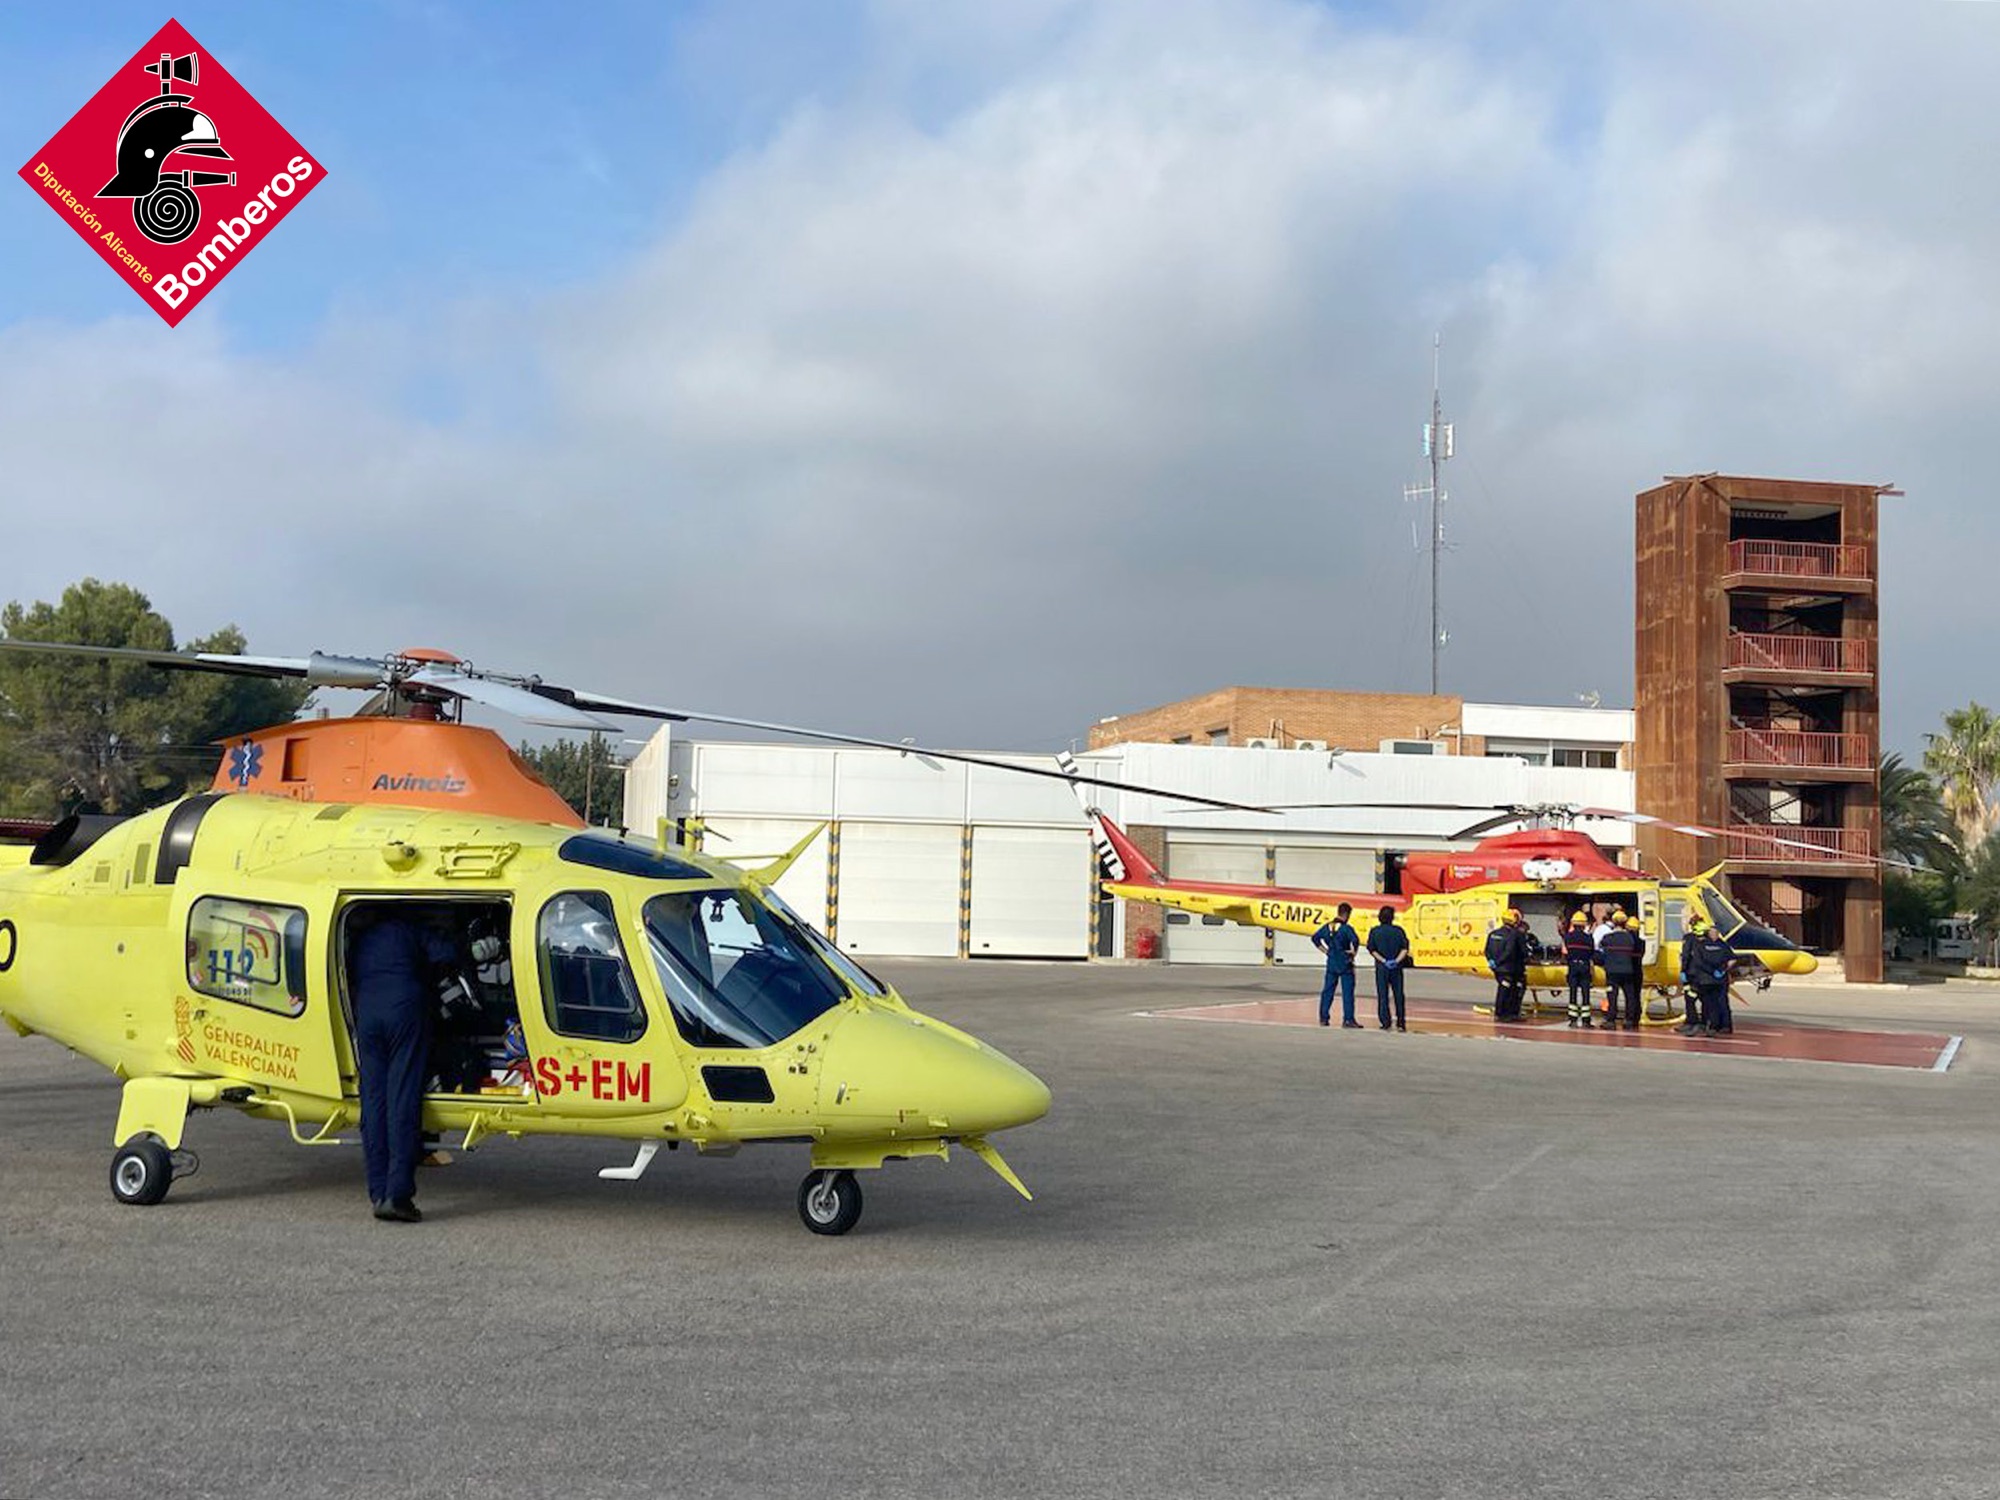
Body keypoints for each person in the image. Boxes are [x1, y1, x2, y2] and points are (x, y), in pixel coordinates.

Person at [348, 907, 458, 1223]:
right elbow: (446, 955)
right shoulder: (410, 928)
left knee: (373, 1104)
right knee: (402, 1101)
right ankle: (398, 1194)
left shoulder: (363, 936)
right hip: (404, 1012)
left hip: (368, 1013)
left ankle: (378, 1191)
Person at [1684, 918, 1738, 1035]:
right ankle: (1719, 1026)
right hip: (1719, 979)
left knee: (1708, 1003)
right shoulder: (1723, 945)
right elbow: (1732, 960)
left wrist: (1710, 971)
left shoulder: (1700, 945)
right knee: (1719, 1003)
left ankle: (1706, 1025)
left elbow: (1698, 962)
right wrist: (1722, 971)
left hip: (1705, 979)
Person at [1313, 903, 1362, 1028]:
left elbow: (1315, 938)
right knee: (1347, 992)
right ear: (1346, 914)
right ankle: (1348, 1019)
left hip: (1332, 962)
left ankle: (1323, 1017)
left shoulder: (1328, 926)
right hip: (1345, 962)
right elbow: (1355, 940)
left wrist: (1326, 951)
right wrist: (1353, 952)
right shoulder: (1346, 929)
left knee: (1328, 991)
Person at [1367, 905, 1411, 1031]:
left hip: (1382, 967)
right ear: (1392, 918)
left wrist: (1384, 960)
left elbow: (1372, 950)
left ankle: (1385, 1022)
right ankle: (1401, 1022)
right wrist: (1396, 961)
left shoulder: (1375, 931)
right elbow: (1405, 949)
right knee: (1398, 995)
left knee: (1383, 995)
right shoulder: (1399, 931)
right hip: (1396, 967)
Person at [1597, 910, 1643, 1030]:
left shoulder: (1607, 938)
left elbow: (1601, 948)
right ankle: (1629, 1020)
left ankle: (1611, 1020)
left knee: (1612, 996)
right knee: (1630, 996)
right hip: (1628, 971)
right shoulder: (1630, 939)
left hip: (1612, 972)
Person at [1483, 909, 1530, 1022]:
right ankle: (1511, 1013)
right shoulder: (1516, 934)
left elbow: (1486, 951)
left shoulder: (1493, 934)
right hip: (1511, 968)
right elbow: (1512, 952)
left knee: (1503, 990)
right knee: (1516, 991)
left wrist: (1492, 962)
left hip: (1498, 969)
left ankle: (1500, 1013)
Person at [1561, 911, 1596, 1029]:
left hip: (1572, 967)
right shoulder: (1588, 938)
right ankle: (1586, 1021)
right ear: (1584, 924)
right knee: (1585, 994)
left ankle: (1572, 1020)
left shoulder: (1568, 937)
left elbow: (1566, 953)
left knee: (1573, 993)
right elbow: (1592, 953)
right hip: (1585, 967)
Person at [1675, 915, 1709, 1036]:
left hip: (1692, 974)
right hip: (1705, 974)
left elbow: (1686, 956)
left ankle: (1692, 1022)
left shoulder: (1689, 938)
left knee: (1690, 998)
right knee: (1705, 999)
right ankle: (1703, 1023)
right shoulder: (1709, 939)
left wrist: (1683, 971)